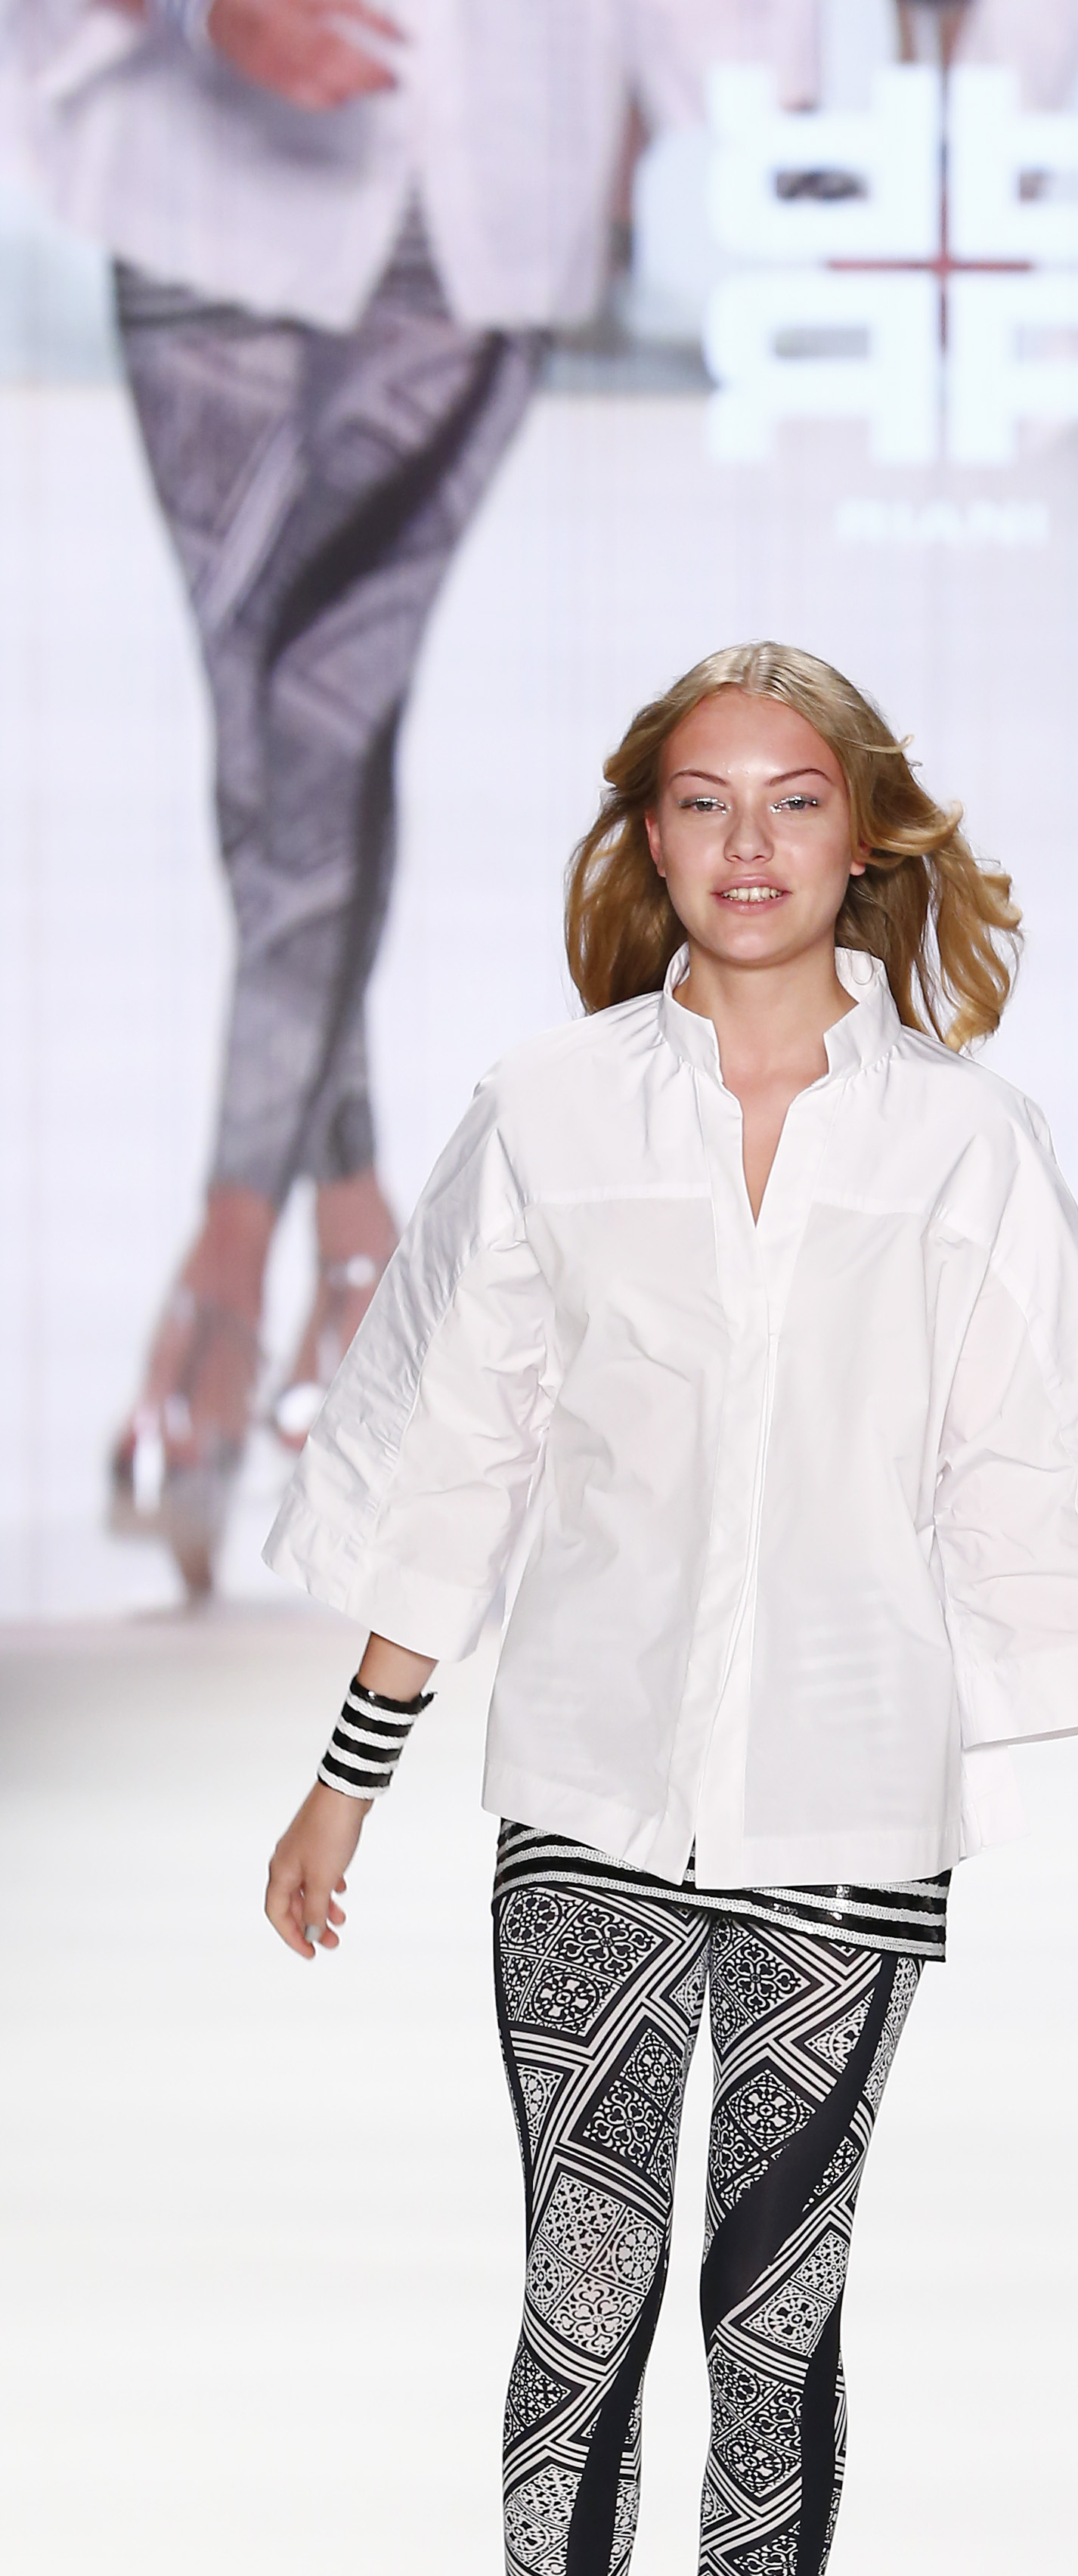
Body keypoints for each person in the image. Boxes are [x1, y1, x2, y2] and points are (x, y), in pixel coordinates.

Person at [259, 643, 1078, 2576]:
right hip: (586, 1799)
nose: (746, 845)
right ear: (646, 836)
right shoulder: (549, 1114)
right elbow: (461, 1456)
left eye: (794, 799)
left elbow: (1031, 1500)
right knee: (576, 2312)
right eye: (701, 800)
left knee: (767, 2328)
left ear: (865, 836)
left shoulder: (960, 1147)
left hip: (846, 1816)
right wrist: (348, 1774)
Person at [11, 0, 812, 1594]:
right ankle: (353, 1250)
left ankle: (229, 1262)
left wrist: (672, 87)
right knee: (279, 732)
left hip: (490, 162)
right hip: (201, 151)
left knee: (312, 717)